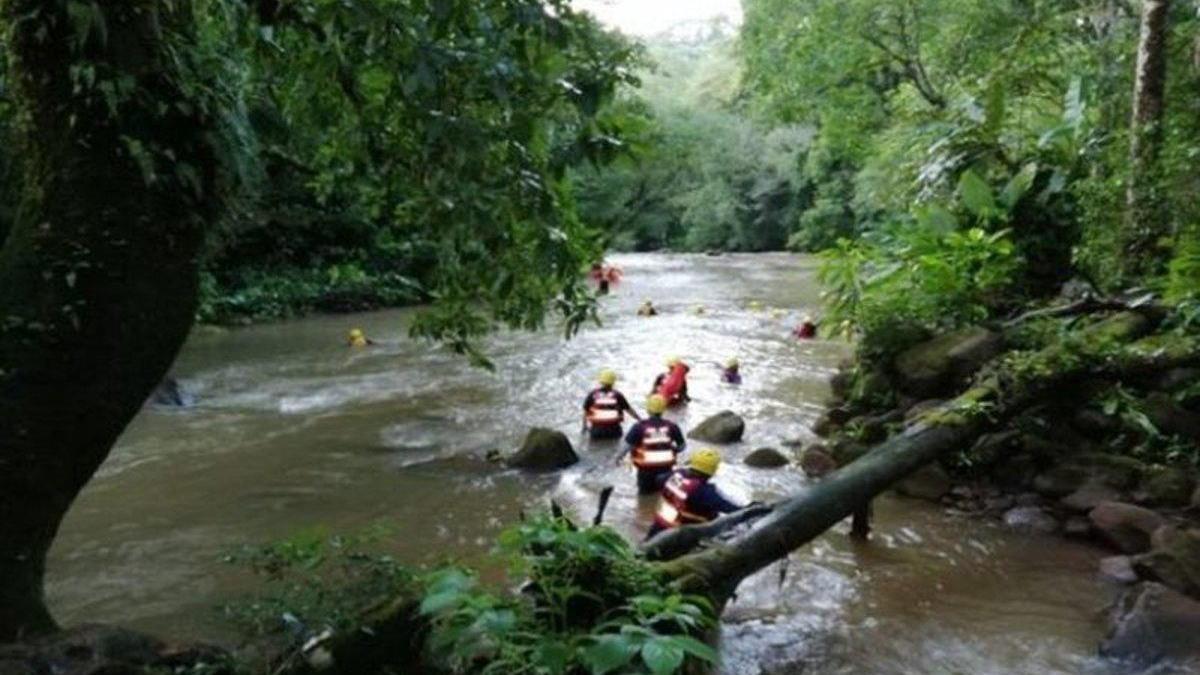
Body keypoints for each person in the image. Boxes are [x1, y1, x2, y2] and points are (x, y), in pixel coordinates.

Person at [646, 447, 744, 539]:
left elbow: (659, 480)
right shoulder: (703, 490)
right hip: (679, 535)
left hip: (657, 527)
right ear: (713, 469)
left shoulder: (676, 474)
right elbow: (729, 508)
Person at [615, 394, 686, 494]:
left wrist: (618, 458)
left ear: (648, 409)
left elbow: (626, 447)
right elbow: (682, 447)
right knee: (661, 496)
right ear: (663, 409)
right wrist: (673, 450)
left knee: (644, 496)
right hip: (666, 470)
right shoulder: (672, 426)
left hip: (646, 471)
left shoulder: (639, 426)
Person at [582, 370, 641, 440]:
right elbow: (629, 410)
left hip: (597, 431)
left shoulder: (592, 394)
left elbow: (585, 412)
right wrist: (639, 419)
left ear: (601, 381)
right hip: (614, 430)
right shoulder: (618, 395)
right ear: (613, 382)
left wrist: (584, 426)